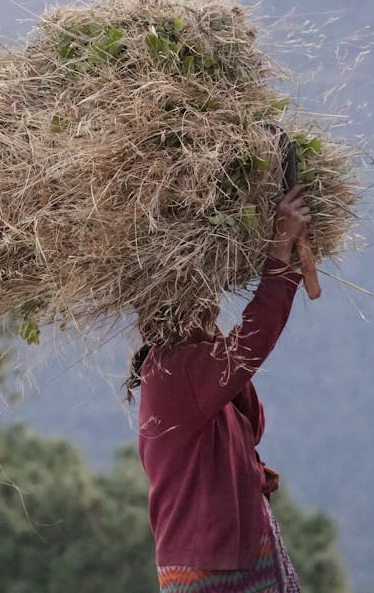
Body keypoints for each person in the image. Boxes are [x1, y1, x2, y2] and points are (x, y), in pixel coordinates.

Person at [128, 183, 310, 592]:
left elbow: (253, 424)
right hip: (215, 567)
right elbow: (251, 344)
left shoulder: (191, 364)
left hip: (233, 555)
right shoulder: (177, 370)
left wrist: (212, 337)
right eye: (204, 295)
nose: (213, 301)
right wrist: (279, 255)